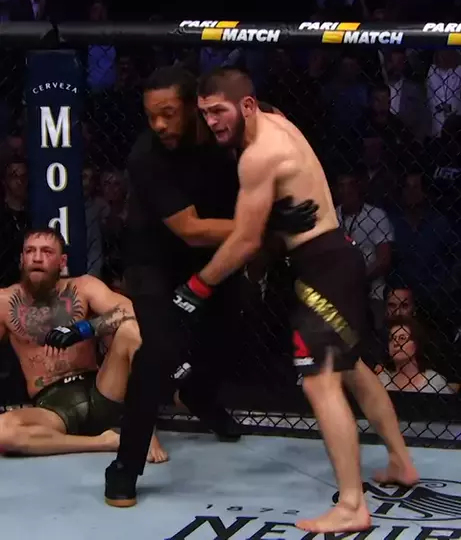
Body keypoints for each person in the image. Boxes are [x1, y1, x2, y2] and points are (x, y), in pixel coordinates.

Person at [174, 67, 420, 534]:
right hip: (333, 259)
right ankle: (401, 463)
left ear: (247, 106)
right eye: (204, 113)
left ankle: (352, 505)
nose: (211, 121)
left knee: (319, 383)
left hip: (323, 268)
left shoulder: (258, 157)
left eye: (219, 111)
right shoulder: (274, 119)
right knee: (353, 370)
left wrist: (197, 286)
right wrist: (278, 219)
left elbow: (245, 241)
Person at [104, 65, 318, 507]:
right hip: (154, 261)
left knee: (231, 327)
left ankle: (197, 393)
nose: (158, 124)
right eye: (150, 115)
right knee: (160, 351)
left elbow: (273, 128)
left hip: (214, 253)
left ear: (193, 108)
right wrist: (266, 223)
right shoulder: (146, 157)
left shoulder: (225, 125)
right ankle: (124, 466)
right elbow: (191, 229)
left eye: (168, 113)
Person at [0, 227, 166, 462]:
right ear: (21, 259)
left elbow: (131, 311)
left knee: (131, 330)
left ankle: (144, 426)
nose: (37, 258)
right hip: (53, 409)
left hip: (102, 390)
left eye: (46, 251)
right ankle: (108, 441)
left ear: (62, 262)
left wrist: (82, 330)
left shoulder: (84, 287)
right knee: (3, 432)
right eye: (30, 251)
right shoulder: (4, 302)